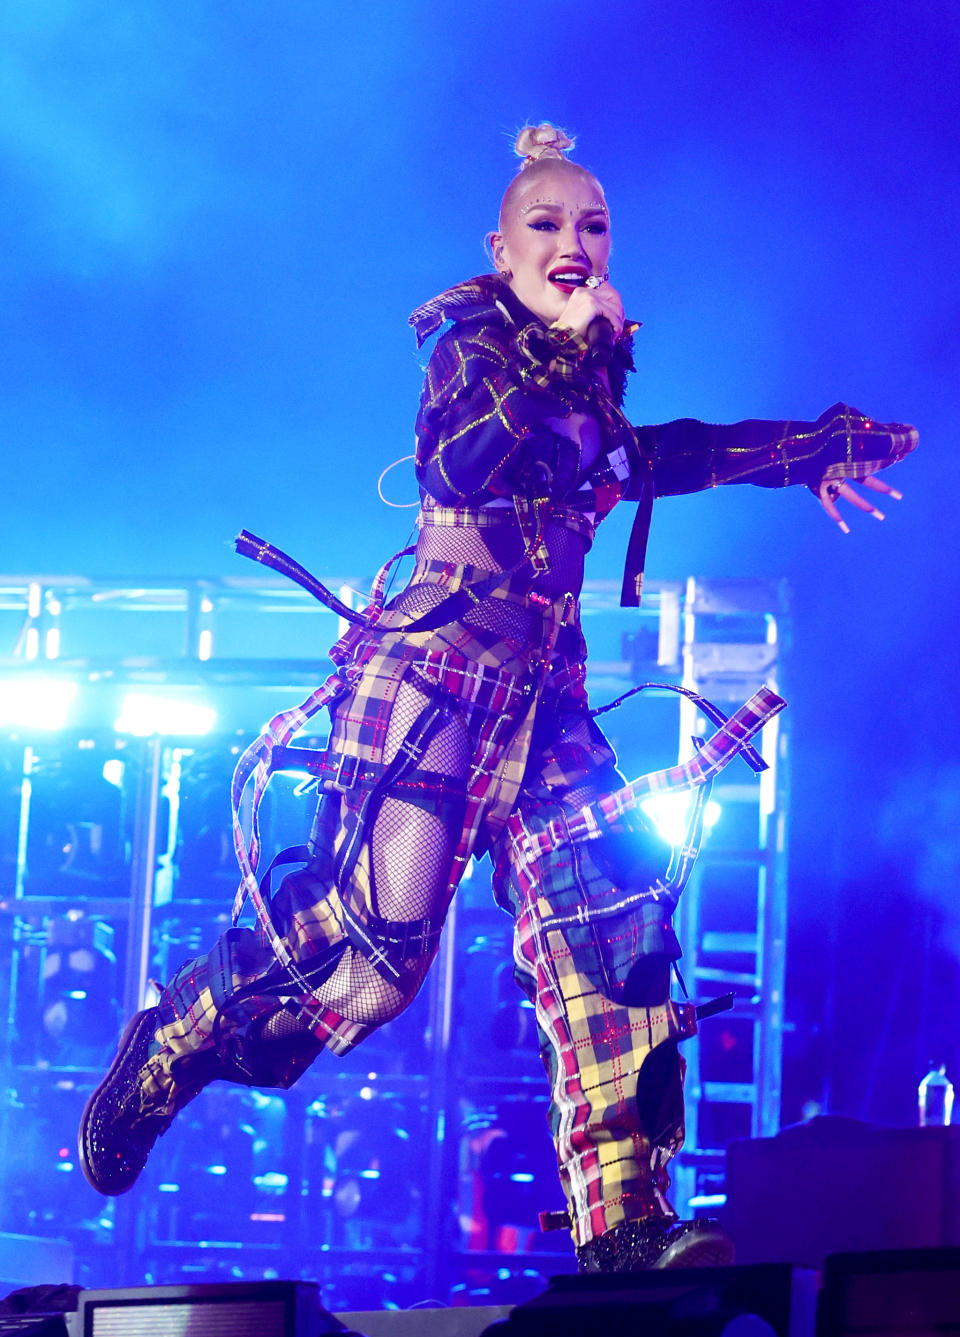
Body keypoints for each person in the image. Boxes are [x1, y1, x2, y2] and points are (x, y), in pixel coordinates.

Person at [79, 124, 917, 1273]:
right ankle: (172, 1041)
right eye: (549, 224)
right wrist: (579, 347)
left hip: (550, 694)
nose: (574, 244)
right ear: (502, 246)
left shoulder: (584, 359)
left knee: (613, 939)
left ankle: (624, 1222)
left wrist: (803, 446)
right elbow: (474, 462)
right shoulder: (469, 346)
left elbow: (641, 458)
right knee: (370, 964)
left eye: (594, 226)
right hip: (440, 675)